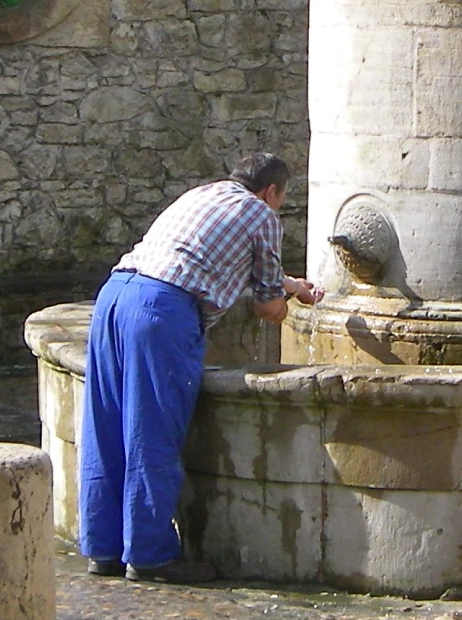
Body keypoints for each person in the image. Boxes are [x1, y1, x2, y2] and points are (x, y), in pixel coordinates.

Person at [79, 153, 322, 583]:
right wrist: (287, 302)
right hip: (161, 311)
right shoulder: (262, 216)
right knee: (152, 431)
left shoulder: (204, 195)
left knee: (106, 425)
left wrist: (291, 284)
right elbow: (268, 310)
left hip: (115, 295)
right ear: (271, 192)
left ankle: (103, 547)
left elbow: (211, 260)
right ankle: (151, 554)